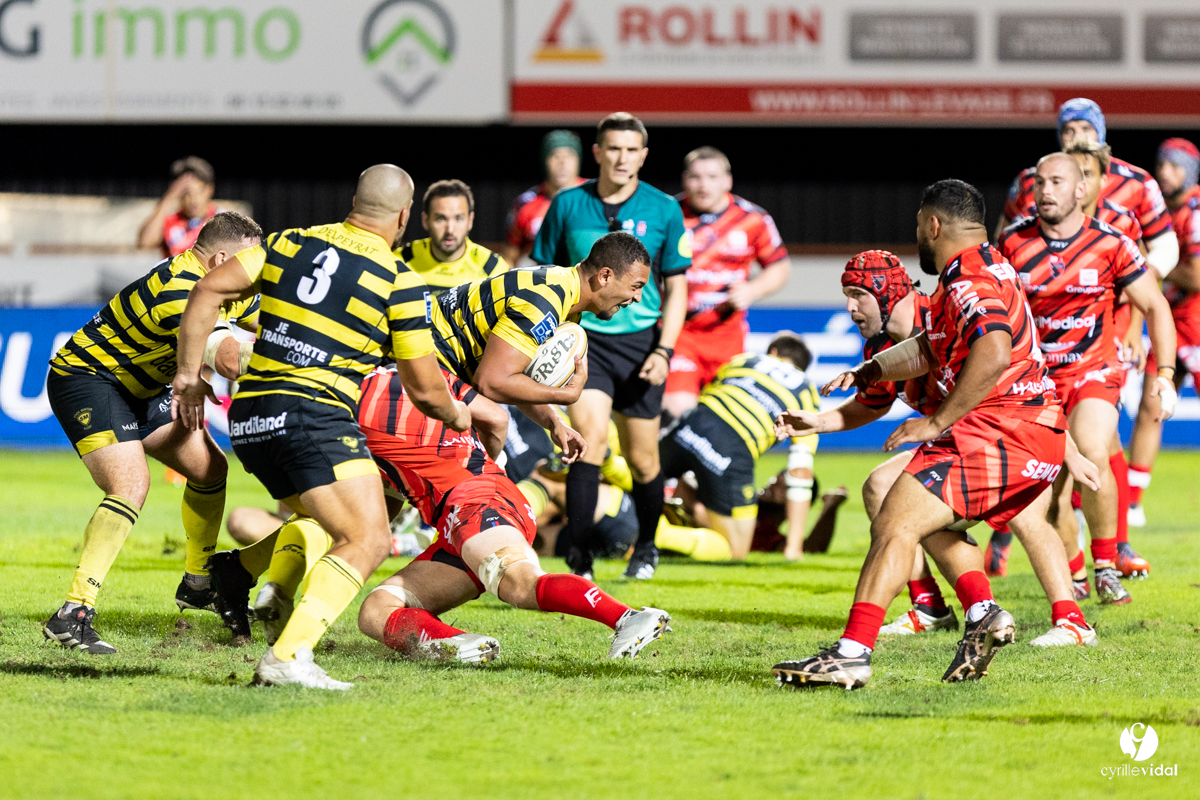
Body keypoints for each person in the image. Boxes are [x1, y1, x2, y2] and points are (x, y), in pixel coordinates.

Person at [772, 180, 1093, 689]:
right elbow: (933, 348)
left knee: (896, 519)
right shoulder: (979, 270)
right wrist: (871, 374)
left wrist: (936, 421)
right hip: (1019, 430)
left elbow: (994, 349)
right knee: (914, 516)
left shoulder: (966, 278)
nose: (916, 235)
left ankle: (853, 654)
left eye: (918, 225)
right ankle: (982, 613)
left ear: (933, 224)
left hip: (1001, 430)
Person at [170, 164, 471, 690]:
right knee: (369, 536)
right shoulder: (400, 281)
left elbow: (204, 294)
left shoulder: (287, 243)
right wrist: (461, 413)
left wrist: (188, 375)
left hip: (251, 417)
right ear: (404, 217)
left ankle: (242, 575)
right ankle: (288, 655)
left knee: (342, 513)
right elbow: (424, 389)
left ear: (355, 201)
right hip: (312, 413)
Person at [42, 212, 262, 654]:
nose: (253, 275)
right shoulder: (180, 290)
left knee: (209, 468)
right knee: (131, 484)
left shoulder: (221, 283)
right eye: (249, 264)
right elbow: (229, 360)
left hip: (141, 388)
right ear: (222, 258)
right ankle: (72, 613)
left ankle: (199, 583)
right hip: (87, 379)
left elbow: (271, 320)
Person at [349, 365, 671, 663]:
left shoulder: (342, 401)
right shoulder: (425, 371)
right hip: (467, 511)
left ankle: (627, 617)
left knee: (520, 583)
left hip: (475, 501)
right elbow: (497, 418)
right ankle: (461, 645)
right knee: (377, 610)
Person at [998, 153, 1176, 606]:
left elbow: (1155, 305)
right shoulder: (1013, 243)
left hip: (1094, 370)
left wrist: (1167, 374)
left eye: (1056, 181)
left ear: (1081, 190)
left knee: (1094, 447)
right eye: (1038, 182)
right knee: (1050, 483)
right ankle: (1076, 571)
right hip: (1037, 382)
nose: (1044, 190)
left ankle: (1106, 564)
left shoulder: (1111, 243)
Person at [532, 111, 691, 581]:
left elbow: (678, 287)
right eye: (613, 149)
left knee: (644, 459)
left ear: (643, 155)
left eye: (631, 150)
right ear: (597, 153)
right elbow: (544, 274)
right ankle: (579, 557)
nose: (622, 158)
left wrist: (664, 351)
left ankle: (646, 547)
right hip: (586, 340)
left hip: (643, 346)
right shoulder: (566, 204)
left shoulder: (664, 208)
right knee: (591, 442)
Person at [431, 232, 652, 466]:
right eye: (635, 286)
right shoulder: (544, 303)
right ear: (605, 276)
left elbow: (513, 379)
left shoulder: (563, 293)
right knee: (495, 422)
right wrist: (564, 396)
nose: (638, 298)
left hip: (435, 362)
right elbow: (490, 382)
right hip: (422, 361)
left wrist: (553, 421)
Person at [657, 333, 818, 561]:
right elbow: (800, 471)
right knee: (735, 551)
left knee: (642, 476)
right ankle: (661, 536)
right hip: (733, 444)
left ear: (773, 352)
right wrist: (794, 547)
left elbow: (712, 392)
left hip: (693, 422)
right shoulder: (806, 391)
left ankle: (620, 516)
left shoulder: (745, 360)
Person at [663, 146, 791, 420]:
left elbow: (779, 267)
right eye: (695, 177)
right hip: (678, 332)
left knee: (720, 418)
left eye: (712, 177)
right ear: (685, 180)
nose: (703, 185)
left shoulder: (752, 219)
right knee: (677, 410)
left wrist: (753, 290)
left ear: (727, 180)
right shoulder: (667, 214)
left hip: (727, 335)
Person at [996, 98, 1178, 283]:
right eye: (1069, 130)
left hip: (1110, 300)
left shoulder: (1137, 183)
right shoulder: (1031, 181)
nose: (1078, 136)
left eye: (1086, 128)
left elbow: (1166, 246)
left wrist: (1136, 283)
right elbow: (1004, 238)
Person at [1128, 138, 1200, 528]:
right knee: (1150, 405)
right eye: (1161, 164)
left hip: (1198, 320)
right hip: (1170, 322)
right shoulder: (1157, 213)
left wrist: (1151, 263)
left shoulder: (1197, 208)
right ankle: (1132, 502)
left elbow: (1198, 276)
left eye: (1173, 166)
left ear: (1189, 170)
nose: (1164, 172)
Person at [397, 180, 508, 296]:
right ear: (425, 220)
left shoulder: (493, 269)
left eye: (458, 219)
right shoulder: (399, 262)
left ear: (470, 221)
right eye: (441, 219)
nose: (450, 230)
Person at [501, 130, 587, 267]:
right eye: (555, 156)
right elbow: (510, 255)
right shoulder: (526, 203)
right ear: (545, 160)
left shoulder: (596, 196)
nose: (562, 163)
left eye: (569, 156)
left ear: (579, 160)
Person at [138, 157, 220, 257]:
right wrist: (169, 198)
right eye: (186, 193)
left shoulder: (220, 221)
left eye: (199, 192)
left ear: (209, 190)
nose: (193, 199)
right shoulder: (171, 221)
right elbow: (144, 243)